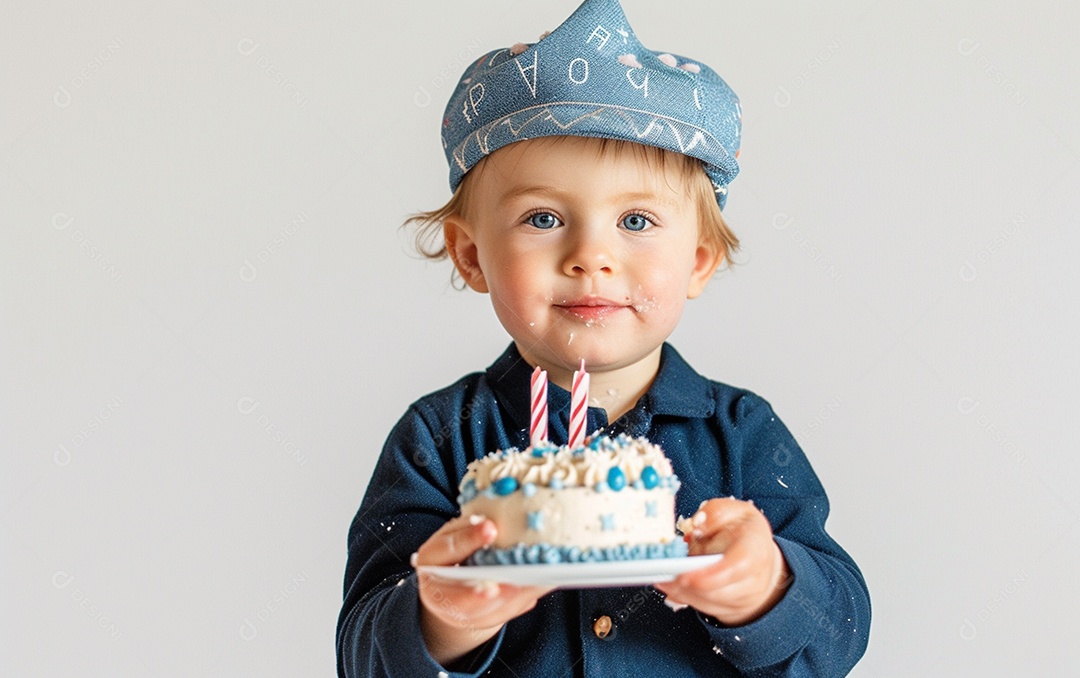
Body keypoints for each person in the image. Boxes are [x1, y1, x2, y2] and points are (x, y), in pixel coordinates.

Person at [336, 0, 870, 675]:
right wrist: (441, 617)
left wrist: (766, 588)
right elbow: (363, 652)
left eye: (638, 222)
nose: (592, 255)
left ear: (699, 260)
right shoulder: (439, 440)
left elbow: (840, 632)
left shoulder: (743, 435)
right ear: (471, 256)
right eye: (542, 217)